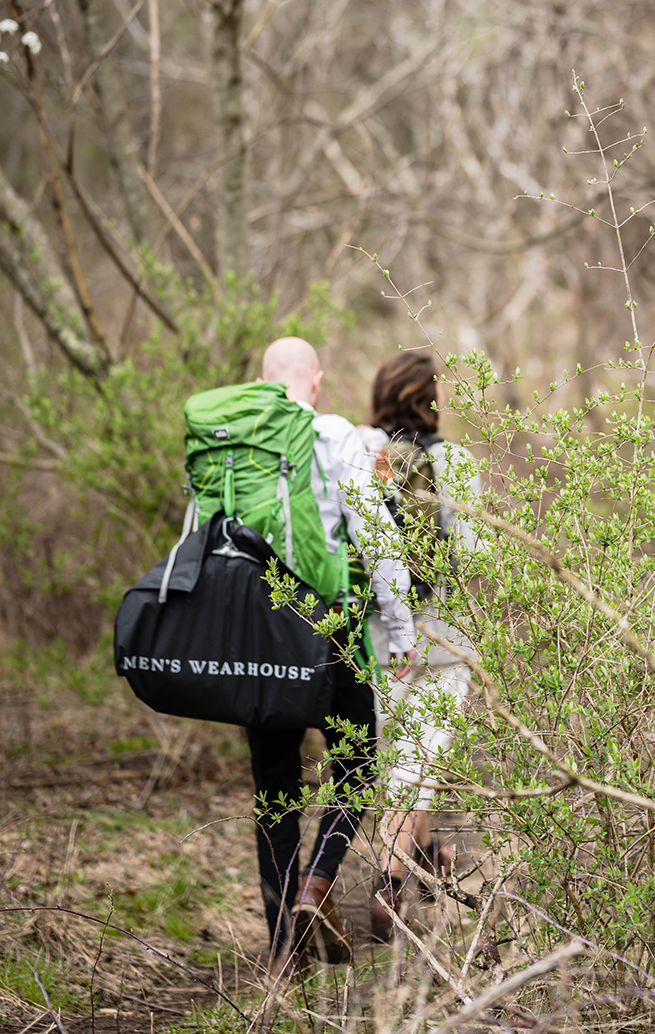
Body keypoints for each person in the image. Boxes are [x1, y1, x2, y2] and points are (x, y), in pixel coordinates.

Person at [248, 337, 417, 973]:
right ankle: (317, 883)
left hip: (258, 633)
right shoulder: (338, 437)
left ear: (262, 383)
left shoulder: (238, 440)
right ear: (315, 382)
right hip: (331, 627)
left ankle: (282, 945)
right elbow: (374, 531)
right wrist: (399, 628)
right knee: (359, 764)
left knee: (275, 787)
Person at [356, 349, 480, 941]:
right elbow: (476, 551)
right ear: (433, 398)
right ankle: (391, 877)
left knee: (399, 763)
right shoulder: (453, 460)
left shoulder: (365, 454)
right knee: (419, 763)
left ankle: (424, 854)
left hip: (382, 634)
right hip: (445, 633)